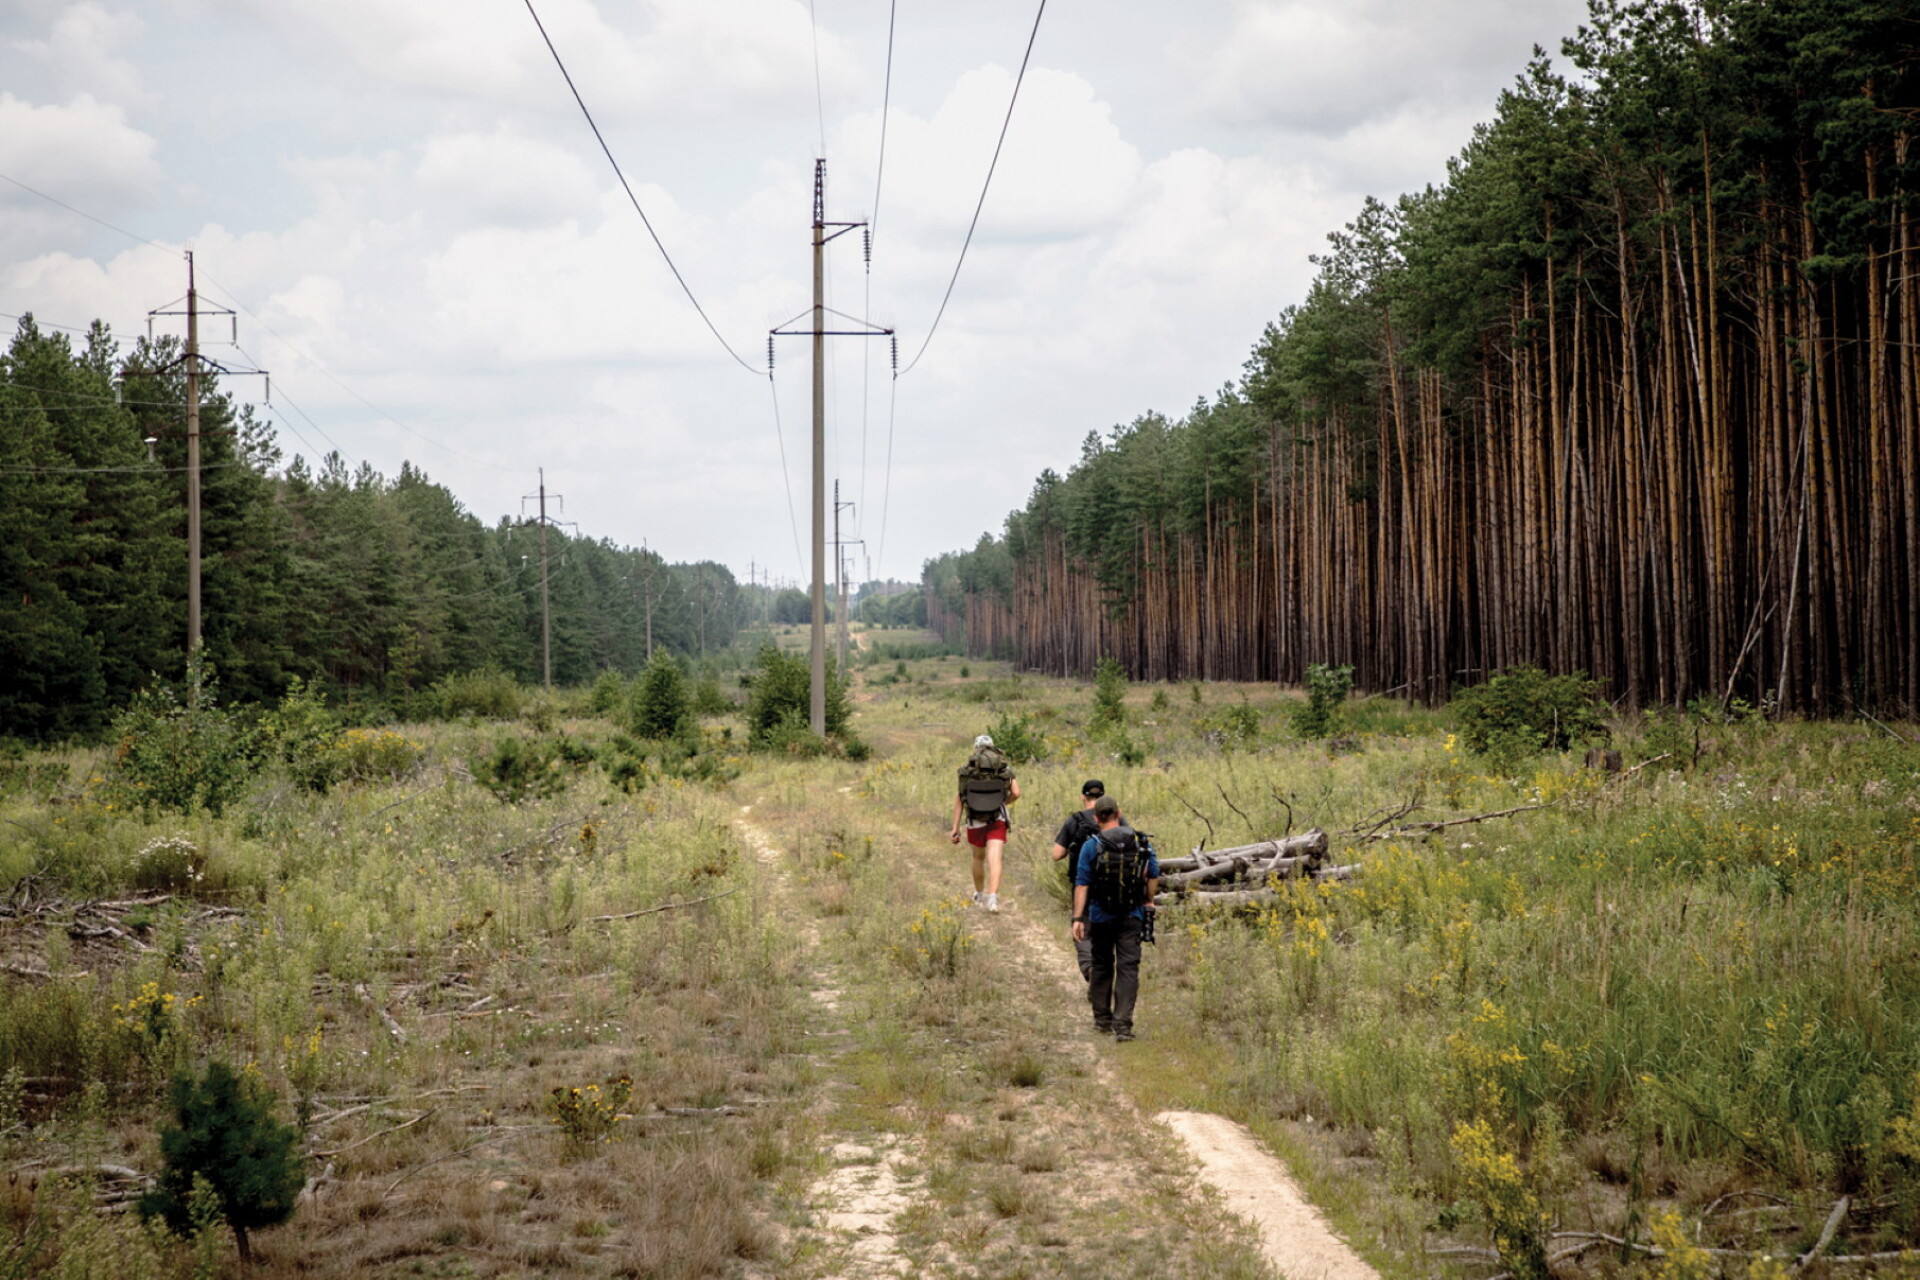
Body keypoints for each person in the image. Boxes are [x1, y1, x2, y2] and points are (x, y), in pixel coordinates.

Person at [1071, 795, 1158, 1041]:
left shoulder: (1092, 845)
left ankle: (1102, 1021)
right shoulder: (1141, 842)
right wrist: (1148, 900)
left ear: (1097, 818)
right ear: (1118, 814)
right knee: (1128, 968)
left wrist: (1078, 917)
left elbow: (1082, 884)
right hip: (1132, 915)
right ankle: (1123, 1026)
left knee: (1101, 965)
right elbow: (1153, 874)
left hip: (1100, 916)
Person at [950, 733, 1020, 911]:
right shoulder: (1003, 769)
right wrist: (1003, 802)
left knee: (978, 858)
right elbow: (1017, 793)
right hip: (997, 819)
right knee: (995, 860)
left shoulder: (967, 770)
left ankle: (980, 895)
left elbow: (960, 799)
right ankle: (993, 899)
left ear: (976, 749)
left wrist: (955, 828)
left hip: (975, 820)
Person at [1050, 779, 1106, 979]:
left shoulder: (1075, 820)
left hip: (1082, 886)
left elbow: (1056, 854)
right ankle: (1103, 975)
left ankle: (1090, 968)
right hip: (1112, 888)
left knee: (1082, 931)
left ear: (1083, 796)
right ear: (1103, 797)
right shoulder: (1114, 819)